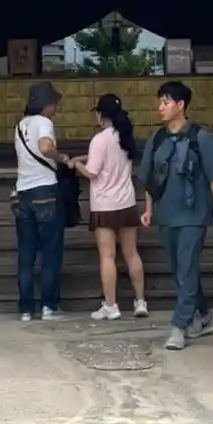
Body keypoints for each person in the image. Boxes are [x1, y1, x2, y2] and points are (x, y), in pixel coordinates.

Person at [138, 80, 213, 351]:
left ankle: (179, 326)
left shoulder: (201, 138)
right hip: (166, 215)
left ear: (180, 105)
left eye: (166, 102)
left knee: (187, 268)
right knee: (180, 272)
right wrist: (148, 209)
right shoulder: (156, 139)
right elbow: (150, 180)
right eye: (160, 102)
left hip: (194, 215)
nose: (160, 107)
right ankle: (204, 314)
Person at [69, 93, 148, 321]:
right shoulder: (125, 136)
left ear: (100, 114)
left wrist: (76, 164)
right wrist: (84, 157)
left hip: (104, 205)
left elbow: (92, 172)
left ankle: (111, 306)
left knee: (107, 256)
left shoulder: (99, 139)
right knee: (131, 253)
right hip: (126, 202)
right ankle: (140, 301)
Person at [14, 80, 67, 323]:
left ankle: (26, 309)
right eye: (54, 103)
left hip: (23, 193)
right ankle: (48, 306)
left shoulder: (20, 125)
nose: (56, 107)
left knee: (26, 254)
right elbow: (45, 147)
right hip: (45, 191)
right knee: (50, 251)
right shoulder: (44, 122)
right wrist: (61, 157)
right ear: (46, 104)